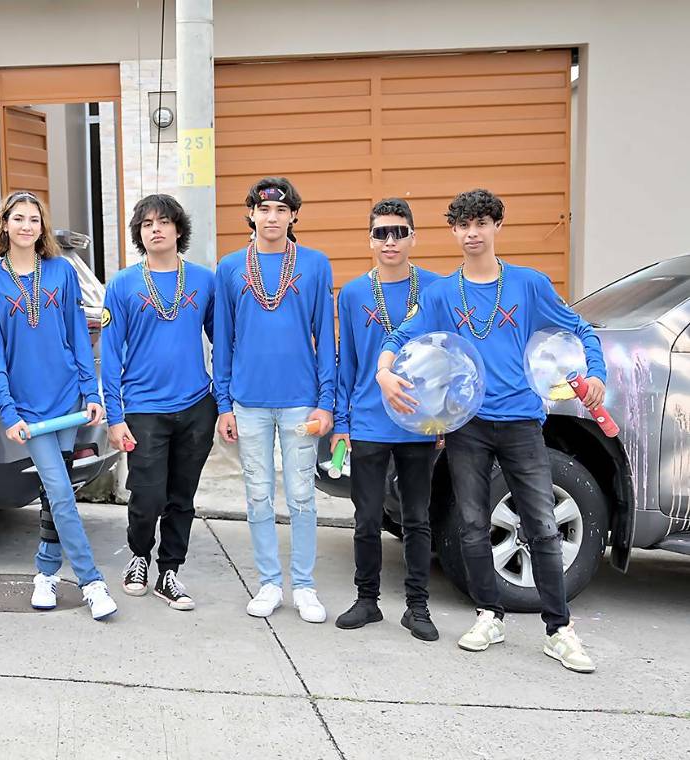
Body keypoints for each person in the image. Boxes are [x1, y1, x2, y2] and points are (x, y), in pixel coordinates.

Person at [379, 188, 605, 672]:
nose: (472, 233)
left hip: (522, 421)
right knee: (473, 524)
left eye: (481, 223)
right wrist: (384, 372)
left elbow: (581, 329)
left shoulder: (529, 284)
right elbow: (400, 335)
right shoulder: (441, 294)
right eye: (463, 225)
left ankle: (559, 629)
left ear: (497, 226)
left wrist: (597, 376)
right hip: (468, 425)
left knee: (542, 525)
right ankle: (489, 615)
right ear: (453, 231)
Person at [0, 190, 117, 621]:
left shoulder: (61, 272)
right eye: (18, 218)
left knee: (58, 492)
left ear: (42, 227)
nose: (26, 226)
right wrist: (8, 411)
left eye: (33, 219)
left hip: (68, 400)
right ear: (4, 225)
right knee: (60, 490)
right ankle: (92, 582)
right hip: (28, 409)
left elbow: (77, 336)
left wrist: (91, 393)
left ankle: (46, 572)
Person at [213, 177, 336, 623]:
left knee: (302, 495)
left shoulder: (315, 264)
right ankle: (269, 582)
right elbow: (222, 340)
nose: (272, 217)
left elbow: (326, 336)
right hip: (248, 402)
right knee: (258, 494)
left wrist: (327, 401)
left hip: (301, 400)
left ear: (293, 216)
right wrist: (223, 404)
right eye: (263, 210)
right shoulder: (230, 267)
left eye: (281, 210)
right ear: (250, 214)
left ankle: (303, 585)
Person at [332, 198, 441, 640]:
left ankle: (418, 606)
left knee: (417, 518)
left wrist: (444, 418)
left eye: (399, 232)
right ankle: (367, 599)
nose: (390, 241)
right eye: (381, 233)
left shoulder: (435, 289)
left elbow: (446, 356)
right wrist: (342, 424)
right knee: (366, 518)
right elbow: (346, 362)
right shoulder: (353, 293)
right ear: (370, 240)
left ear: (414, 237)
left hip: (418, 422)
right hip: (368, 421)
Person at [102, 194, 216, 611]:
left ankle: (170, 571)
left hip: (196, 406)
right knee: (147, 495)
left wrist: (223, 401)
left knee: (181, 496)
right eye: (147, 223)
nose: (156, 229)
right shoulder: (123, 284)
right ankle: (138, 556)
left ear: (178, 229)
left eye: (164, 221)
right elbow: (110, 353)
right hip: (143, 408)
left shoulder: (204, 280)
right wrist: (114, 416)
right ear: (139, 233)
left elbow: (223, 342)